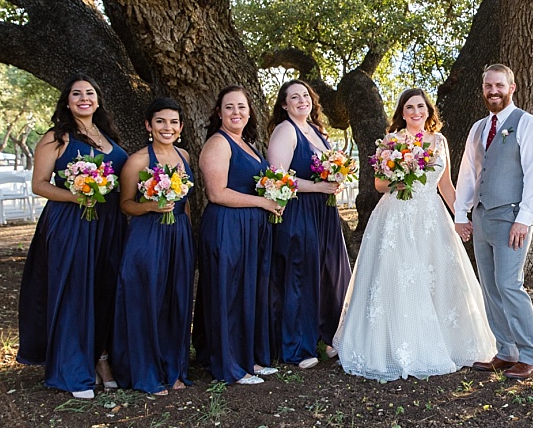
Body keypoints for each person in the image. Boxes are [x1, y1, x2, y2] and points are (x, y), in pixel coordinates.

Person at [334, 88, 495, 381]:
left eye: (421, 106)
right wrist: (402, 175)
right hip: (397, 214)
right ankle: (400, 345)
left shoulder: (440, 141)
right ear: (402, 112)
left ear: (428, 110)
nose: (416, 112)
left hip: (431, 215)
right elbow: (380, 185)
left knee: (437, 276)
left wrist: (461, 217)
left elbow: (444, 185)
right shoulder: (391, 141)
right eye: (409, 107)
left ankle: (446, 342)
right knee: (398, 275)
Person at [17, 74, 128, 399]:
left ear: (97, 100)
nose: (84, 98)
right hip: (71, 222)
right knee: (75, 292)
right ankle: (71, 371)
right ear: (67, 101)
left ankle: (101, 361)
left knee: (104, 291)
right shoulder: (57, 137)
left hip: (108, 224)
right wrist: (77, 195)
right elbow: (39, 184)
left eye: (90, 93)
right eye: (76, 94)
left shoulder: (107, 135)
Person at [454, 64, 533, 381]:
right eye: (487, 86)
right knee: (491, 286)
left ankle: (530, 355)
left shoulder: (527, 124)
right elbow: (468, 174)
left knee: (510, 284)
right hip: (482, 216)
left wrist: (524, 219)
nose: (493, 91)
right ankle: (506, 350)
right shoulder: (479, 128)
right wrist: (461, 214)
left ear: (512, 87)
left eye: (499, 85)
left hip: (512, 218)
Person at [194, 86, 283, 385]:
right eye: (229, 107)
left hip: (252, 228)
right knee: (228, 294)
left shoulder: (247, 143)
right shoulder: (218, 144)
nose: (236, 112)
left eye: (242, 107)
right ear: (219, 112)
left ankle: (250, 359)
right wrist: (263, 202)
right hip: (226, 227)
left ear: (250, 112)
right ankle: (230, 366)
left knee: (250, 293)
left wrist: (275, 198)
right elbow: (217, 193)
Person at [110, 98, 195, 395]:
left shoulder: (184, 156)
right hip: (147, 237)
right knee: (148, 300)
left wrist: (186, 237)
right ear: (149, 125)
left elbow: (185, 205)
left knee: (176, 301)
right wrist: (150, 206)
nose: (167, 127)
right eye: (160, 121)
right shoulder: (138, 161)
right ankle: (146, 374)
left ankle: (173, 370)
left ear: (181, 127)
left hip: (179, 236)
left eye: (173, 122)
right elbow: (125, 205)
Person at [266, 79, 353, 369]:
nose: (302, 100)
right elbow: (278, 178)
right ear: (284, 104)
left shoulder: (317, 131)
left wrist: (335, 181)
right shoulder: (285, 131)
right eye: (294, 97)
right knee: (301, 276)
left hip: (324, 213)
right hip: (299, 213)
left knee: (330, 272)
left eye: (305, 95)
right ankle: (297, 347)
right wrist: (319, 188)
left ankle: (330, 337)